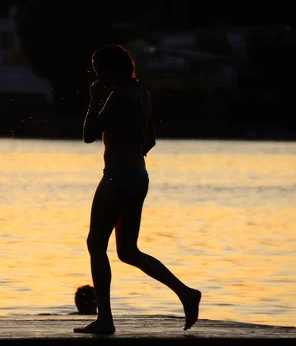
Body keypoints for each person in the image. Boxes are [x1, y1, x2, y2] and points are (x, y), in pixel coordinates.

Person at [74, 44, 201, 335]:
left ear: (115, 69)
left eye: (101, 72)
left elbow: (89, 135)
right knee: (128, 251)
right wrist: (129, 154)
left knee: (96, 245)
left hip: (117, 177)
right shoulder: (142, 95)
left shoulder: (118, 97)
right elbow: (150, 141)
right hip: (138, 176)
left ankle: (105, 319)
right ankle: (185, 293)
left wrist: (94, 100)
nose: (99, 78)